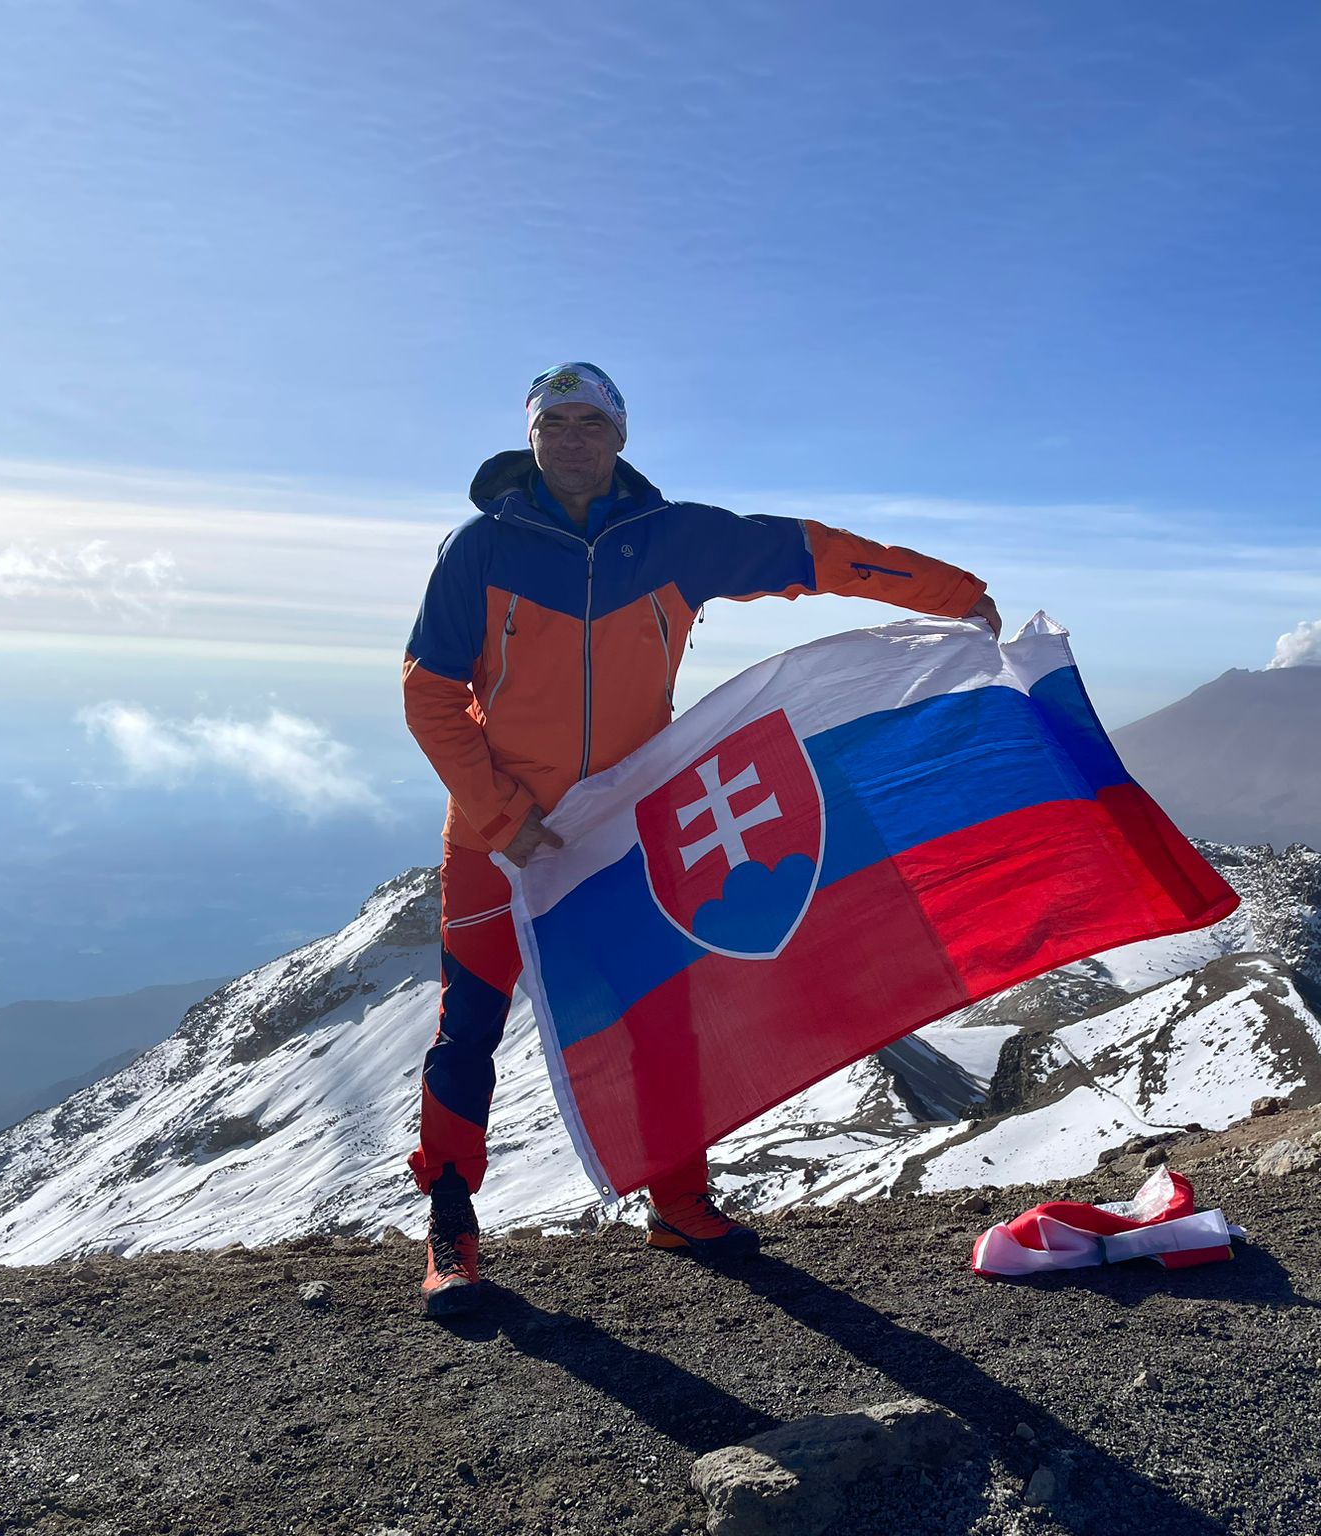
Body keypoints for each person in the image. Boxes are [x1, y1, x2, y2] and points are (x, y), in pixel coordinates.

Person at [400, 362, 1000, 1316]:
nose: (571, 436)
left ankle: (679, 1202)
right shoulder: (480, 549)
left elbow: (815, 554)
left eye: (590, 420)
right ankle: (452, 1226)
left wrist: (953, 593)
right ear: (531, 437)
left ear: (621, 436)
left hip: (624, 826)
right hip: (495, 835)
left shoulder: (676, 540)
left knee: (662, 1017)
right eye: (553, 422)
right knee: (467, 1024)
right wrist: (507, 819)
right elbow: (429, 691)